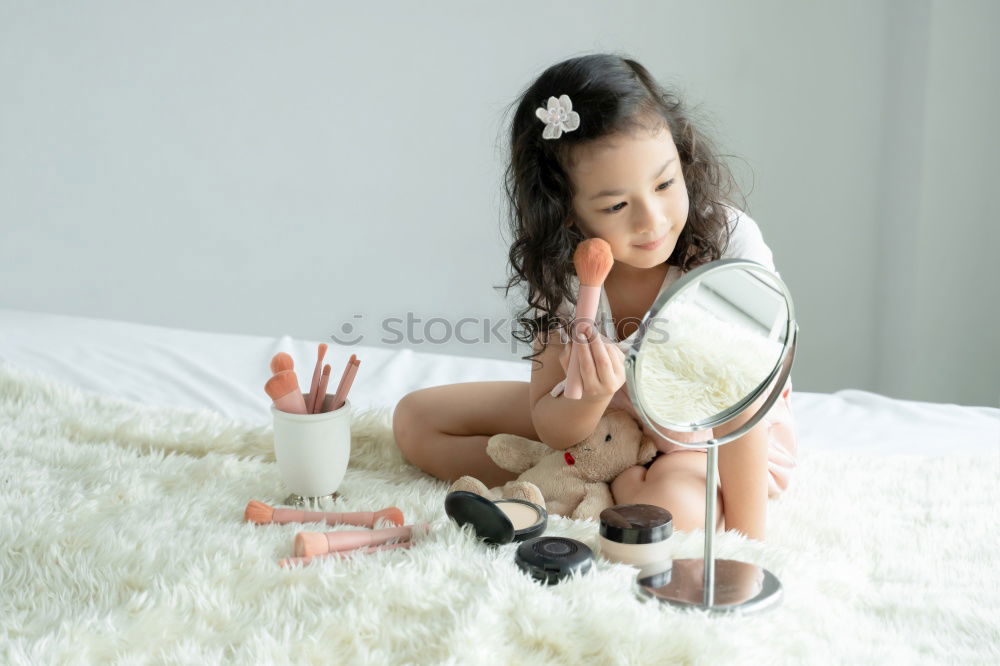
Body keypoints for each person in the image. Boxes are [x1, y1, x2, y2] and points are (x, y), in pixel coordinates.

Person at [393, 53, 796, 541]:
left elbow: (744, 397)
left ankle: (604, 480)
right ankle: (586, 474)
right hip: (601, 422)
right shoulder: (566, 271)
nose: (652, 219)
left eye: (666, 183)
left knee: (674, 513)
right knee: (417, 420)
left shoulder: (727, 242)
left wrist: (750, 541)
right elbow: (550, 420)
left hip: (704, 436)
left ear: (683, 156)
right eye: (617, 205)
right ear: (566, 213)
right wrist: (593, 398)